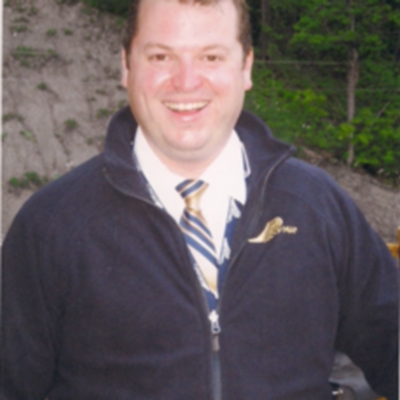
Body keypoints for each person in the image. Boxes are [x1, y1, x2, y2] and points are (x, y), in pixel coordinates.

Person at [1, 0, 398, 399]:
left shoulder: (317, 206)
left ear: (246, 66)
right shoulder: (52, 226)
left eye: (211, 56)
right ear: (126, 65)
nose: (186, 81)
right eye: (161, 56)